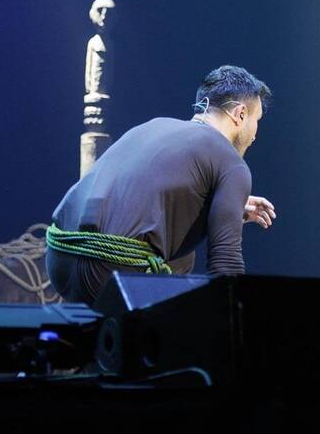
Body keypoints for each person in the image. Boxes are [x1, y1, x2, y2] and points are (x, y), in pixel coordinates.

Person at [47, 65, 277, 305]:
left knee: (181, 259)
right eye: (257, 120)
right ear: (240, 114)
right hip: (110, 269)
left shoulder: (153, 125)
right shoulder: (231, 162)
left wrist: (224, 207)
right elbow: (225, 265)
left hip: (59, 258)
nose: (255, 135)